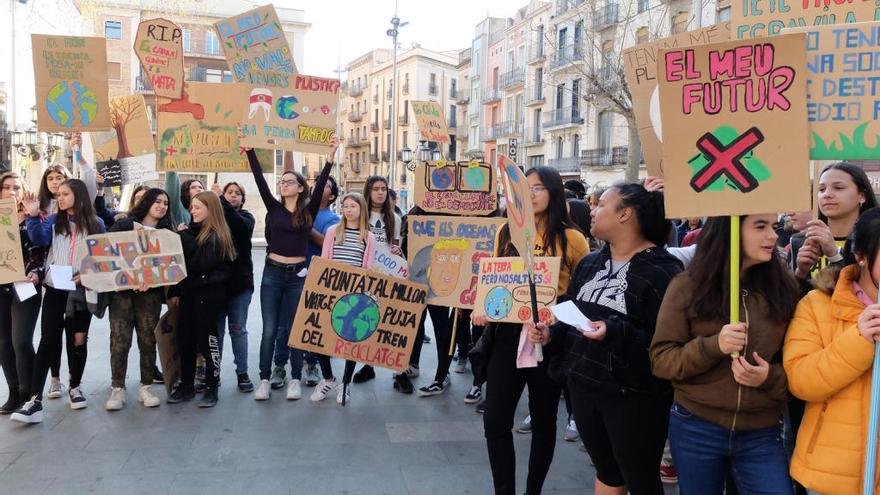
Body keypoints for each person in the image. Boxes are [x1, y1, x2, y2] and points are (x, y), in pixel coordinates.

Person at [530, 183, 682, 494]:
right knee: (608, 471)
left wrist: (614, 331)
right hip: (583, 388)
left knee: (639, 477)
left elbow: (665, 344)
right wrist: (549, 334)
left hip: (633, 397)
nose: (593, 211)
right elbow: (571, 318)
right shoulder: (590, 263)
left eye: (601, 205)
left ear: (625, 214)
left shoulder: (664, 272)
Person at [650, 215, 800, 494]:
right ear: (729, 230)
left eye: (773, 227)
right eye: (760, 226)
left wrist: (769, 377)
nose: (772, 236)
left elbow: (800, 365)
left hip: (762, 431)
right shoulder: (687, 286)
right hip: (695, 426)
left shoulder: (785, 289)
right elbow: (661, 360)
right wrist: (712, 346)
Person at [476, 166, 590, 495]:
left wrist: (554, 327)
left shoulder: (573, 238)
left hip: (550, 339)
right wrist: (485, 308)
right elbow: (497, 283)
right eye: (525, 189)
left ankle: (533, 490)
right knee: (495, 420)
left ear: (553, 192)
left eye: (537, 188)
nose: (531, 195)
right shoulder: (504, 232)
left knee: (543, 421)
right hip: (507, 336)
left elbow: (581, 296)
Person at [783, 207, 880, 495]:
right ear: (861, 256)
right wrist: (859, 339)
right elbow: (802, 381)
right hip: (832, 472)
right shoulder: (817, 304)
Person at [248, 139, 338, 401]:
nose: (282, 184)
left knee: (297, 329)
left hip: (298, 274)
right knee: (270, 329)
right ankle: (264, 379)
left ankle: (295, 379)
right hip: (272, 274)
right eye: (281, 181)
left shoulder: (307, 210)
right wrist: (250, 149)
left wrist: (330, 156)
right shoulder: (273, 207)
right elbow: (259, 180)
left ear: (300, 188)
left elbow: (321, 182)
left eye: (288, 181)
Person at [12, 179, 106, 423]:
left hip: (82, 289)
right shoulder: (54, 221)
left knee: (78, 340)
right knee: (48, 340)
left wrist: (87, 273)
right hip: (55, 288)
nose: (60, 198)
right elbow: (40, 241)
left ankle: (75, 387)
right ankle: (34, 400)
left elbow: (103, 259)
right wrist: (33, 216)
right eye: (59, 194)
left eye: (65, 194)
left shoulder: (97, 225)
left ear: (79, 195)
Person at [104, 188, 175, 411]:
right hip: (121, 294)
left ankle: (146, 386)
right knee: (119, 340)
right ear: (146, 202)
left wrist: (150, 279)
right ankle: (118, 388)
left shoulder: (166, 233)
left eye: (165, 203)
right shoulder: (125, 224)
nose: (162, 206)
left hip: (150, 294)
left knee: (148, 339)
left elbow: (169, 266)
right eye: (157, 201)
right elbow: (106, 251)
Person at [167, 192, 236, 408]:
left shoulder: (217, 235)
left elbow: (198, 264)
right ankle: (186, 385)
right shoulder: (191, 232)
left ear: (210, 209)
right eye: (192, 207)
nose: (192, 211)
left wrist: (184, 238)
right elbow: (180, 267)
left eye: (197, 207)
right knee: (184, 339)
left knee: (208, 341)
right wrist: (176, 291)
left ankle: (211, 386)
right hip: (189, 293)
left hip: (208, 295)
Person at [311, 192, 376, 405]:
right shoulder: (332, 231)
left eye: (353, 206)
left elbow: (368, 267)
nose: (348, 210)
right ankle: (328, 378)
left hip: (354, 296)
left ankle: (345, 383)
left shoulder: (368, 237)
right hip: (331, 291)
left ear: (361, 210)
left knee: (351, 339)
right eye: (346, 206)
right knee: (320, 338)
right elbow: (325, 260)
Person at [0, 173, 46, 414]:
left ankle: (29, 393)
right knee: (3, 342)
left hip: (26, 285)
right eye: (6, 187)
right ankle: (13, 391)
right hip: (1, 287)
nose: (11, 191)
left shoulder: (34, 218)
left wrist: (37, 272)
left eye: (16, 187)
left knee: (21, 340)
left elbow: (43, 251)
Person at [351, 175, 403, 384]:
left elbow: (396, 246)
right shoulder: (359, 216)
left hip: (388, 276)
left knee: (392, 324)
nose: (380, 192)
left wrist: (397, 250)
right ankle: (367, 366)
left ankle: (400, 371)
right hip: (365, 276)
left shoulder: (396, 219)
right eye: (376, 189)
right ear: (368, 191)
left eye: (383, 188)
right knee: (366, 321)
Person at [792, 162, 877, 283]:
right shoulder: (802, 241)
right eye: (821, 189)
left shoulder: (873, 241)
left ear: (862, 196)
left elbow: (864, 293)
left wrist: (834, 256)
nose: (827, 195)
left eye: (838, 188)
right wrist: (800, 273)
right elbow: (793, 299)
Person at [212, 181, 257, 393]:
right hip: (217, 286)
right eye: (229, 193)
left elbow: (240, 227)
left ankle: (242, 372)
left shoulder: (247, 218)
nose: (232, 196)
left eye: (236, 193)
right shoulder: (213, 220)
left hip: (240, 285)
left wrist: (220, 199)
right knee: (217, 331)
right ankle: (214, 372)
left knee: (238, 330)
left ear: (242, 199)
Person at [35, 164, 71, 399]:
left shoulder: (81, 216)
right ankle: (54, 379)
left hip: (75, 279)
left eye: (60, 178)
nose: (55, 182)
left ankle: (74, 382)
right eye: (51, 178)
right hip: (50, 278)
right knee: (51, 334)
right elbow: (38, 240)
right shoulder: (40, 210)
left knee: (77, 334)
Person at [303, 176, 340, 387]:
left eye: (325, 184)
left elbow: (327, 242)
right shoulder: (302, 209)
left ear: (332, 195)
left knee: (315, 323)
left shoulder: (332, 219)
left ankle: (313, 363)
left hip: (318, 276)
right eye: (317, 182)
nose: (318, 185)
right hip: (296, 274)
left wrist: (305, 227)